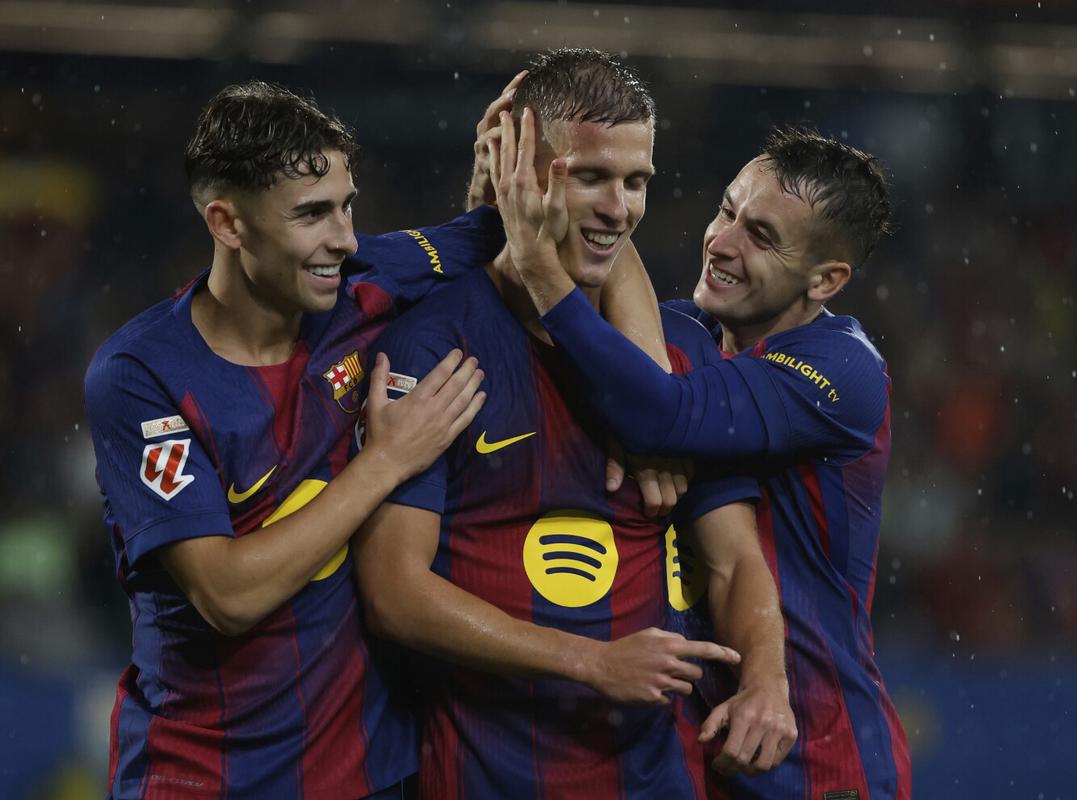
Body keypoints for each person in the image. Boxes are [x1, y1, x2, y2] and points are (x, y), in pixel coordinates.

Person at [352, 48, 795, 798]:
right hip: (490, 776)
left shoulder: (679, 353)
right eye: (590, 177)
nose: (619, 208)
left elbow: (733, 561)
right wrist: (589, 661)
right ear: (520, 172)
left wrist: (767, 681)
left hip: (656, 778)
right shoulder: (434, 346)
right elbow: (394, 592)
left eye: (636, 181)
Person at [84, 80, 502, 799]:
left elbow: (505, 234)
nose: (344, 238)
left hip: (371, 776)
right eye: (312, 214)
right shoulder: (140, 375)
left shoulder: (366, 278)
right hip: (205, 778)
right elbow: (227, 594)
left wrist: (503, 169)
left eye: (347, 205)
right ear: (227, 223)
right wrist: (386, 462)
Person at [496, 125, 913, 799]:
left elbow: (661, 411)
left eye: (762, 237)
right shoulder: (676, 335)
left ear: (827, 279)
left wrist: (555, 254)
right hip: (694, 746)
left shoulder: (844, 371)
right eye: (727, 211)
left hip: (815, 752)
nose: (721, 242)